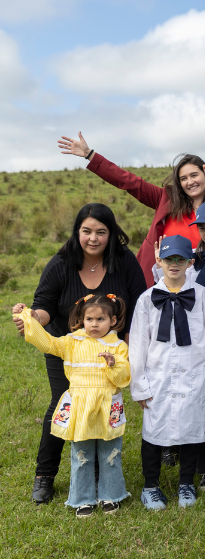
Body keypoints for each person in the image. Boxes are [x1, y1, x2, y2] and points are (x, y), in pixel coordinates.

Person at [20, 203, 147, 505]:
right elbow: (44, 305)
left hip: (111, 352)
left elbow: (140, 307)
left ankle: (102, 472)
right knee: (62, 403)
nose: (93, 238)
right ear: (77, 232)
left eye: (101, 232)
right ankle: (44, 475)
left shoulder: (125, 261)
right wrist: (33, 319)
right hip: (69, 349)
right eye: (87, 231)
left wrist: (132, 352)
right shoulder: (62, 262)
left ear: (112, 233)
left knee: (105, 406)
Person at [150, 203, 205, 498]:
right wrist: (159, 263)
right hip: (196, 336)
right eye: (203, 228)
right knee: (201, 400)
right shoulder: (192, 262)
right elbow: (171, 289)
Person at [14, 295, 131, 518]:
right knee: (82, 454)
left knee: (111, 453)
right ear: (82, 319)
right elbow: (47, 342)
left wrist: (113, 364)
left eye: (100, 319)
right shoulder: (71, 342)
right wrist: (27, 317)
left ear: (113, 320)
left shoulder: (119, 346)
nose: (94, 324)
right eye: (89, 319)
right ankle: (83, 499)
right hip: (80, 407)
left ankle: (111, 495)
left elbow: (125, 377)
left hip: (108, 408)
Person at [129, 235, 205, 510]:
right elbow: (139, 345)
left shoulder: (201, 295)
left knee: (191, 430)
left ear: (190, 262)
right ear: (159, 261)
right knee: (154, 432)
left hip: (193, 374)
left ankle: (186, 483)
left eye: (180, 259)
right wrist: (140, 385)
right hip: (159, 377)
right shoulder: (146, 300)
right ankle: (150, 486)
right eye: (169, 259)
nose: (174, 264)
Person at [58, 132, 205, 286]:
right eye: (183, 178)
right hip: (160, 282)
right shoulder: (166, 199)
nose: (190, 182)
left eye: (194, 175)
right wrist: (90, 155)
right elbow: (129, 182)